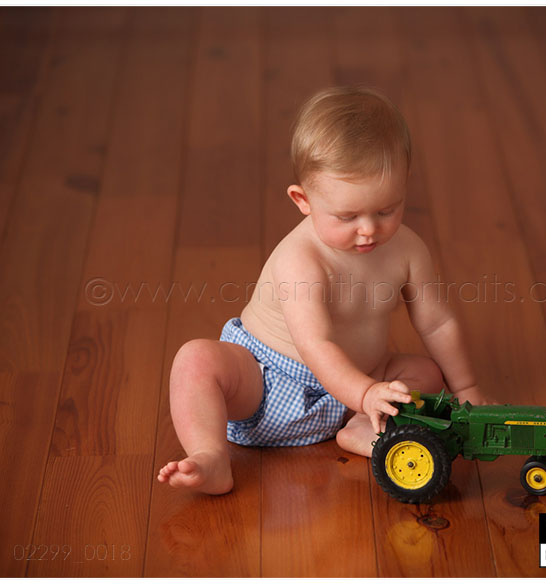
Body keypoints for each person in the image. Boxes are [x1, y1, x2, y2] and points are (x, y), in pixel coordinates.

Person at [158, 86, 492, 494]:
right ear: (303, 200)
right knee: (195, 360)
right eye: (347, 216)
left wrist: (466, 388)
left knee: (425, 375)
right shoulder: (300, 260)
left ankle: (362, 428)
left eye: (386, 210)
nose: (368, 229)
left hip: (359, 386)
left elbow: (436, 322)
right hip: (266, 383)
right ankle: (210, 456)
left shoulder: (407, 251)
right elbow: (315, 345)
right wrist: (365, 391)